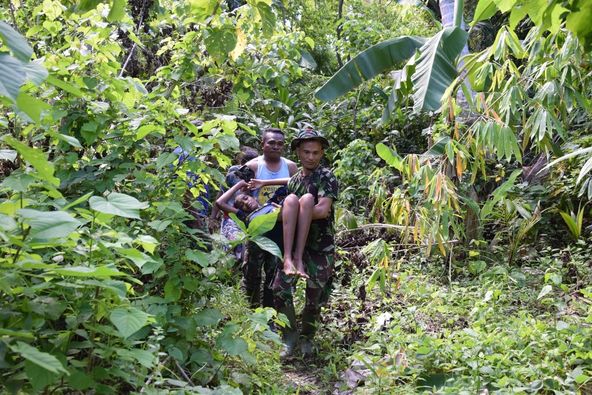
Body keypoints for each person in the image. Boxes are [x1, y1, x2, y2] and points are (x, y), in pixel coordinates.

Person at [272, 128, 339, 358]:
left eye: (316, 153)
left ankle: (308, 337)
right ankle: (289, 336)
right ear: (298, 153)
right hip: (290, 245)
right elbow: (283, 212)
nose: (311, 157)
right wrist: (288, 211)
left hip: (320, 246)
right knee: (280, 289)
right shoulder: (293, 181)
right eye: (307, 152)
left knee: (315, 295)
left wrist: (297, 210)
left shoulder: (326, 176)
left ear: (322, 154)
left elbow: (322, 210)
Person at [242, 128, 298, 308]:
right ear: (262, 144)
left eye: (280, 144)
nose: (276, 147)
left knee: (273, 271)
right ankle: (251, 308)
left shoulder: (290, 167)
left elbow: (296, 191)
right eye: (271, 143)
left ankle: (269, 311)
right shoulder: (252, 166)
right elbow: (241, 195)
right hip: (257, 226)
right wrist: (249, 202)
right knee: (252, 270)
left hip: (280, 226)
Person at [217, 146, 259, 260]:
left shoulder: (259, 174)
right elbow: (220, 196)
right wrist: (212, 217)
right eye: (245, 164)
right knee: (234, 244)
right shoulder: (233, 174)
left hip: (251, 217)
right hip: (231, 215)